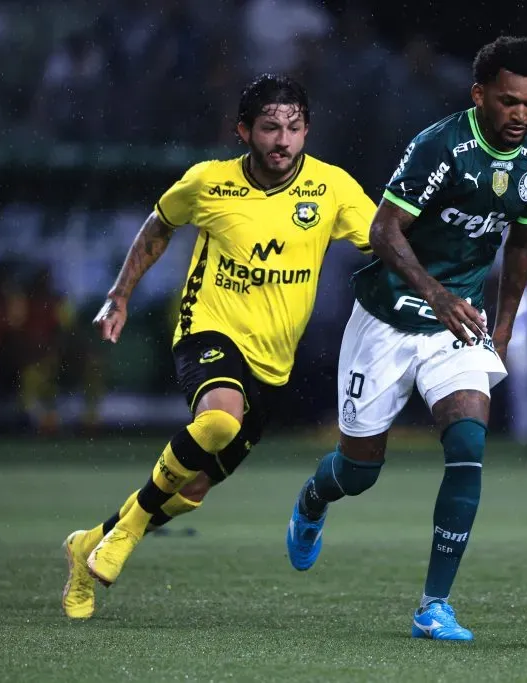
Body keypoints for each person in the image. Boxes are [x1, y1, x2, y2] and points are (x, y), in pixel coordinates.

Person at [61, 74, 375, 619]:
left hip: (274, 362)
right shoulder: (208, 182)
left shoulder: (333, 189)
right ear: (243, 132)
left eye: (294, 128)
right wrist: (120, 295)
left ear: (307, 130)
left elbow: (388, 240)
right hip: (208, 327)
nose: (283, 140)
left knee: (196, 487)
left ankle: (89, 542)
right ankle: (128, 534)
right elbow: (158, 227)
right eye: (270, 128)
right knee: (219, 422)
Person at [284, 36, 527, 641]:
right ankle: (313, 501)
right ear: (479, 94)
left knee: (468, 444)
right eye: (509, 102)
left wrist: (503, 326)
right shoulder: (441, 148)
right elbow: (383, 230)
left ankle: (434, 606)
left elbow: (525, 245)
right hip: (386, 319)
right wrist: (437, 293)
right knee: (360, 470)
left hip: (459, 326)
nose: (520, 115)